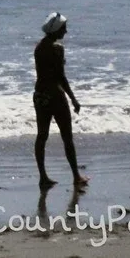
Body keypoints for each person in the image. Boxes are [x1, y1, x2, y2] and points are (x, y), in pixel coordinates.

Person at [33, 12, 89, 189]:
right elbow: (61, 77)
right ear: (57, 29)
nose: (66, 31)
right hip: (55, 96)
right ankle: (76, 175)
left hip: (40, 95)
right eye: (64, 28)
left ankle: (43, 176)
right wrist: (73, 99)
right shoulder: (57, 49)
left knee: (42, 136)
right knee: (67, 137)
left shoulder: (39, 48)